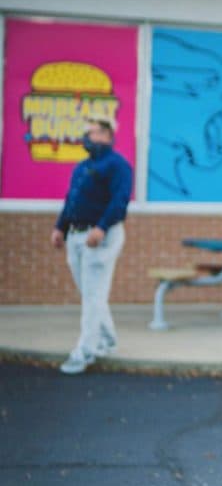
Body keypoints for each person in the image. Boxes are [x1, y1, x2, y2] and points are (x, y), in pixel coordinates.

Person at [50, 118, 133, 375]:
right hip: (76, 235)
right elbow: (71, 198)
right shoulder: (83, 167)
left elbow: (120, 201)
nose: (86, 138)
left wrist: (102, 227)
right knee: (90, 294)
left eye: (91, 133)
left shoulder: (117, 165)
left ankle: (85, 351)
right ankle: (107, 340)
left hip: (100, 237)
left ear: (106, 135)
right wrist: (60, 227)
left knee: (94, 294)